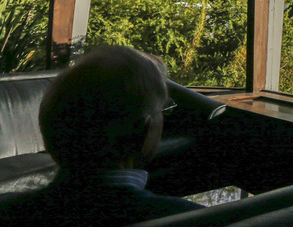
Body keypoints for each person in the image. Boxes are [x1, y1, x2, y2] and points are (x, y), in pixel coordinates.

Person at [0, 46, 204, 225]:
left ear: (48, 132)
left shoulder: (8, 211)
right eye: (163, 110)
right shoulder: (194, 218)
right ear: (143, 132)